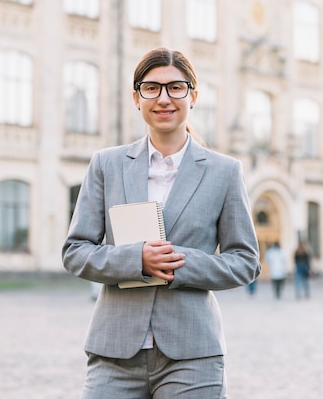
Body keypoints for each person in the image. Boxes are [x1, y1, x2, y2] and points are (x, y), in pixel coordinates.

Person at [62, 47, 261, 399]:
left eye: (176, 87)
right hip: (114, 351)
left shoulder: (225, 172)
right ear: (136, 98)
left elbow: (245, 262)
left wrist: (178, 263)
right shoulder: (106, 165)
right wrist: (136, 260)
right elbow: (75, 251)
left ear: (193, 96)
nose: (164, 98)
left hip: (193, 353)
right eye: (152, 88)